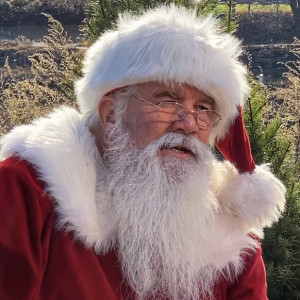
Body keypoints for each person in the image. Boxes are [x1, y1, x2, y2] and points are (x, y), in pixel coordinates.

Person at [0, 5, 286, 300]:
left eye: (203, 108)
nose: (188, 124)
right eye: (166, 100)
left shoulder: (231, 242)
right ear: (111, 114)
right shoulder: (24, 191)